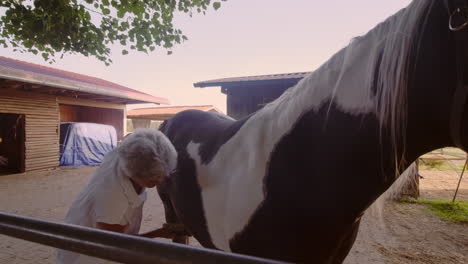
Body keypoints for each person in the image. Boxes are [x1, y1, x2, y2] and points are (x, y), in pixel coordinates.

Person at [57, 129, 177, 264]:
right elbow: (117, 247)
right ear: (137, 175)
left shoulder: (127, 154)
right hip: (88, 257)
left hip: (99, 237)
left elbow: (138, 139)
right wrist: (156, 235)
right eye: (153, 179)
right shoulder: (114, 203)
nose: (160, 181)